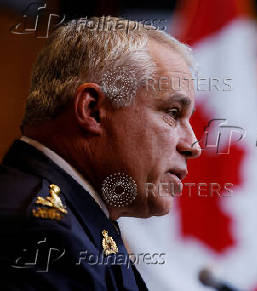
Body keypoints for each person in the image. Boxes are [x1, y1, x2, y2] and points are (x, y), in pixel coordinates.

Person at [0, 16, 201, 290]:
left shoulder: (80, 217)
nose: (193, 146)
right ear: (93, 111)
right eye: (172, 113)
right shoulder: (41, 231)